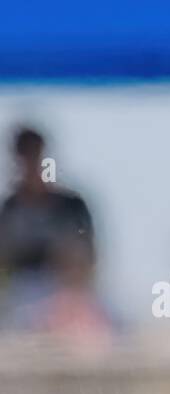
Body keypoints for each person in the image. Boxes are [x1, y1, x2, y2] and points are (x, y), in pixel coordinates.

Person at [0, 125, 108, 341]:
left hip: (75, 296)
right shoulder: (11, 209)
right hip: (25, 297)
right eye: (25, 156)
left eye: (35, 154)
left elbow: (88, 255)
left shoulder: (72, 206)